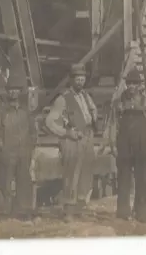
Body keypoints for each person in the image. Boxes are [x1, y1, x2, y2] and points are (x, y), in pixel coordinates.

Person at [45, 64, 99, 222]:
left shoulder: (86, 96)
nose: (81, 81)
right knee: (71, 175)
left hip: (87, 137)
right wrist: (66, 133)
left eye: (83, 78)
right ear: (71, 79)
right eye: (78, 78)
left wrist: (94, 115)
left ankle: (80, 208)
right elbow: (49, 122)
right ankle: (69, 209)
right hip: (72, 141)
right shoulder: (63, 99)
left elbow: (92, 112)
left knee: (86, 173)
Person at [0, 73, 37, 220]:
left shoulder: (25, 111)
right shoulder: (0, 110)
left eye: (16, 90)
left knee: (23, 180)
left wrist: (30, 146)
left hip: (23, 152)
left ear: (20, 92)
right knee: (5, 182)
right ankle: (4, 210)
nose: (13, 92)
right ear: (7, 92)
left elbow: (33, 131)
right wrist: (1, 146)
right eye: (11, 90)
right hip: (7, 153)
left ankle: (23, 210)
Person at [109, 68, 146, 222]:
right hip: (124, 143)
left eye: (135, 83)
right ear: (126, 84)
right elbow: (113, 124)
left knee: (142, 178)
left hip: (142, 143)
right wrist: (112, 144)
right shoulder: (118, 102)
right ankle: (123, 210)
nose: (132, 86)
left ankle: (141, 210)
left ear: (139, 85)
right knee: (124, 177)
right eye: (129, 83)